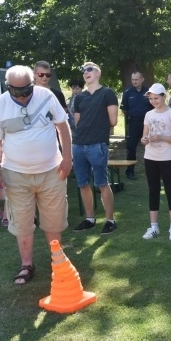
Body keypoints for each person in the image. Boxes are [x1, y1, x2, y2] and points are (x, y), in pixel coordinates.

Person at [0, 65, 72, 285]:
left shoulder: (46, 96)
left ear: (32, 84)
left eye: (26, 90)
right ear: (8, 87)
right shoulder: (1, 105)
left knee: (54, 221)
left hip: (52, 171)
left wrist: (68, 158)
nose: (23, 96)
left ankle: (58, 263)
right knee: (22, 223)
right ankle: (26, 265)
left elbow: (62, 126)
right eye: (17, 92)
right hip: (16, 175)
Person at [72, 62, 119, 235]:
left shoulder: (107, 93)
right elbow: (77, 121)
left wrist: (94, 126)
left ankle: (110, 220)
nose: (86, 72)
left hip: (97, 144)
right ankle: (90, 219)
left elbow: (113, 121)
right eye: (84, 71)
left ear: (98, 73)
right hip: (78, 145)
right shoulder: (79, 97)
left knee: (101, 183)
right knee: (83, 183)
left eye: (89, 69)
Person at [141, 83, 171, 241]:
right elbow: (143, 137)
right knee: (153, 191)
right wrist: (145, 139)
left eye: (156, 98)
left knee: (170, 191)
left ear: (164, 97)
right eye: (151, 99)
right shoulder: (148, 114)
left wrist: (160, 137)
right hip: (150, 157)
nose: (153, 101)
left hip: (167, 158)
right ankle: (154, 227)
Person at [121, 71, 152, 180]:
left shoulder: (149, 92)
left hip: (148, 123)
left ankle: (154, 171)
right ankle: (130, 171)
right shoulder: (128, 92)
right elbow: (124, 109)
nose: (134, 81)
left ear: (142, 79)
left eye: (136, 79)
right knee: (131, 147)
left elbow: (154, 106)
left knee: (152, 145)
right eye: (133, 79)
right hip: (133, 123)